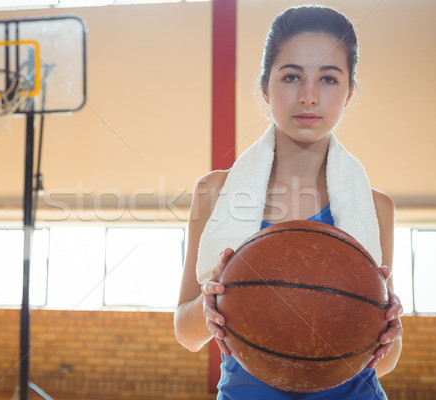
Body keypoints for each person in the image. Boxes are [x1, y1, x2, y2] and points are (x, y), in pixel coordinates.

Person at [174, 5, 403, 399]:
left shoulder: (376, 206)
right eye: (292, 76)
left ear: (348, 93)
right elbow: (186, 334)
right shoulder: (214, 192)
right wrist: (209, 306)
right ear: (266, 88)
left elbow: (385, 361)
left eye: (329, 79)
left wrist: (387, 336)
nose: (309, 96)